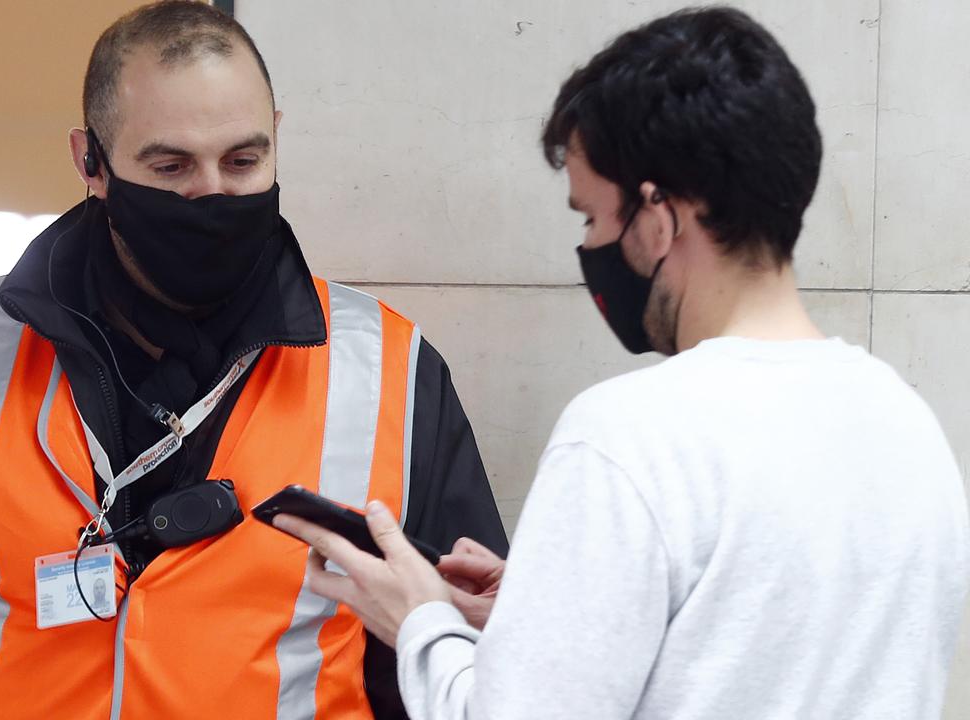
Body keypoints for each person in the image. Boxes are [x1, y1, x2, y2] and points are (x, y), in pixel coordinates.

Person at [0, 2, 507, 718]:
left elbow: (457, 671)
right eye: (171, 168)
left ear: (276, 137)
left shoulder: (392, 373)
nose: (211, 195)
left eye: (242, 162)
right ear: (91, 163)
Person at [275, 7, 970, 719]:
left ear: (657, 217)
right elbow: (764, 641)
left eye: (591, 217)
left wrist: (419, 621)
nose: (591, 244)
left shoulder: (629, 436)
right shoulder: (907, 423)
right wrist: (557, 617)